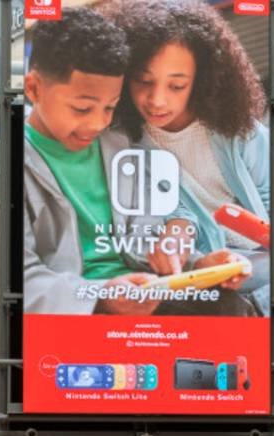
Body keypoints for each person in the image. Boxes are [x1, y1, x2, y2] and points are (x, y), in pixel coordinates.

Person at [21, 5, 245, 318]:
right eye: (82, 109)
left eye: (110, 107)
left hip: (146, 299)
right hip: (72, 313)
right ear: (33, 89)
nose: (98, 124)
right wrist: (101, 296)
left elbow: (149, 242)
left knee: (230, 307)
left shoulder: (124, 145)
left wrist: (196, 265)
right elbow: (20, 278)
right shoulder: (10, 160)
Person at [105, 0, 270, 246]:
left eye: (177, 86)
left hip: (256, 257)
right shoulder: (119, 142)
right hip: (189, 263)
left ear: (202, 80)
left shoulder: (240, 130)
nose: (157, 100)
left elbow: (271, 201)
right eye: (143, 81)